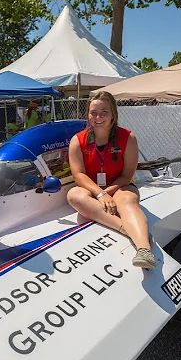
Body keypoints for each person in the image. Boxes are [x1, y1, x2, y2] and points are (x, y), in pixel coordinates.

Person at [66, 90, 156, 268]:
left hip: (120, 185)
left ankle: (144, 250)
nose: (98, 117)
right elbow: (79, 174)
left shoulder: (128, 138)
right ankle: (129, 230)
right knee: (74, 195)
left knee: (127, 201)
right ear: (88, 115)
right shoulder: (78, 140)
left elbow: (127, 175)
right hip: (94, 190)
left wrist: (106, 193)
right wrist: (100, 194)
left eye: (104, 112)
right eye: (94, 113)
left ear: (113, 114)